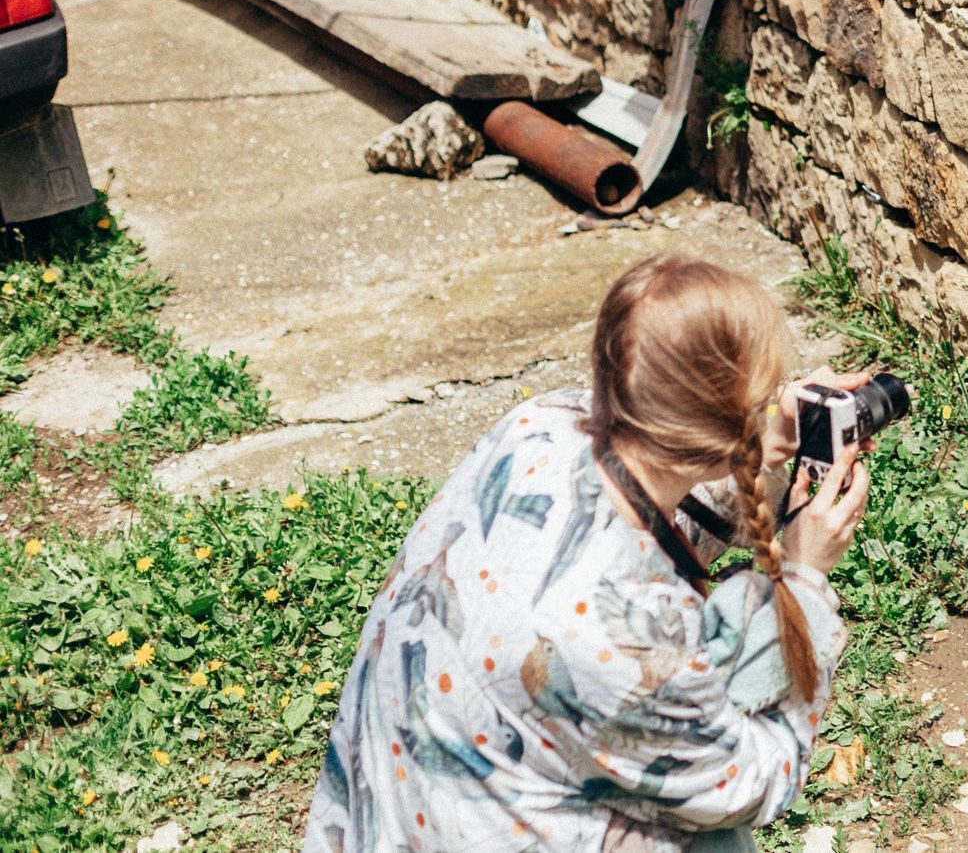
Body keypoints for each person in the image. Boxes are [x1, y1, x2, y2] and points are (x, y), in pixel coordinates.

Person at [303, 254, 875, 853]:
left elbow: (654, 506)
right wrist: (806, 577)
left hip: (385, 817)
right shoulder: (618, 635)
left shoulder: (541, 423)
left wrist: (766, 441)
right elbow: (746, 787)